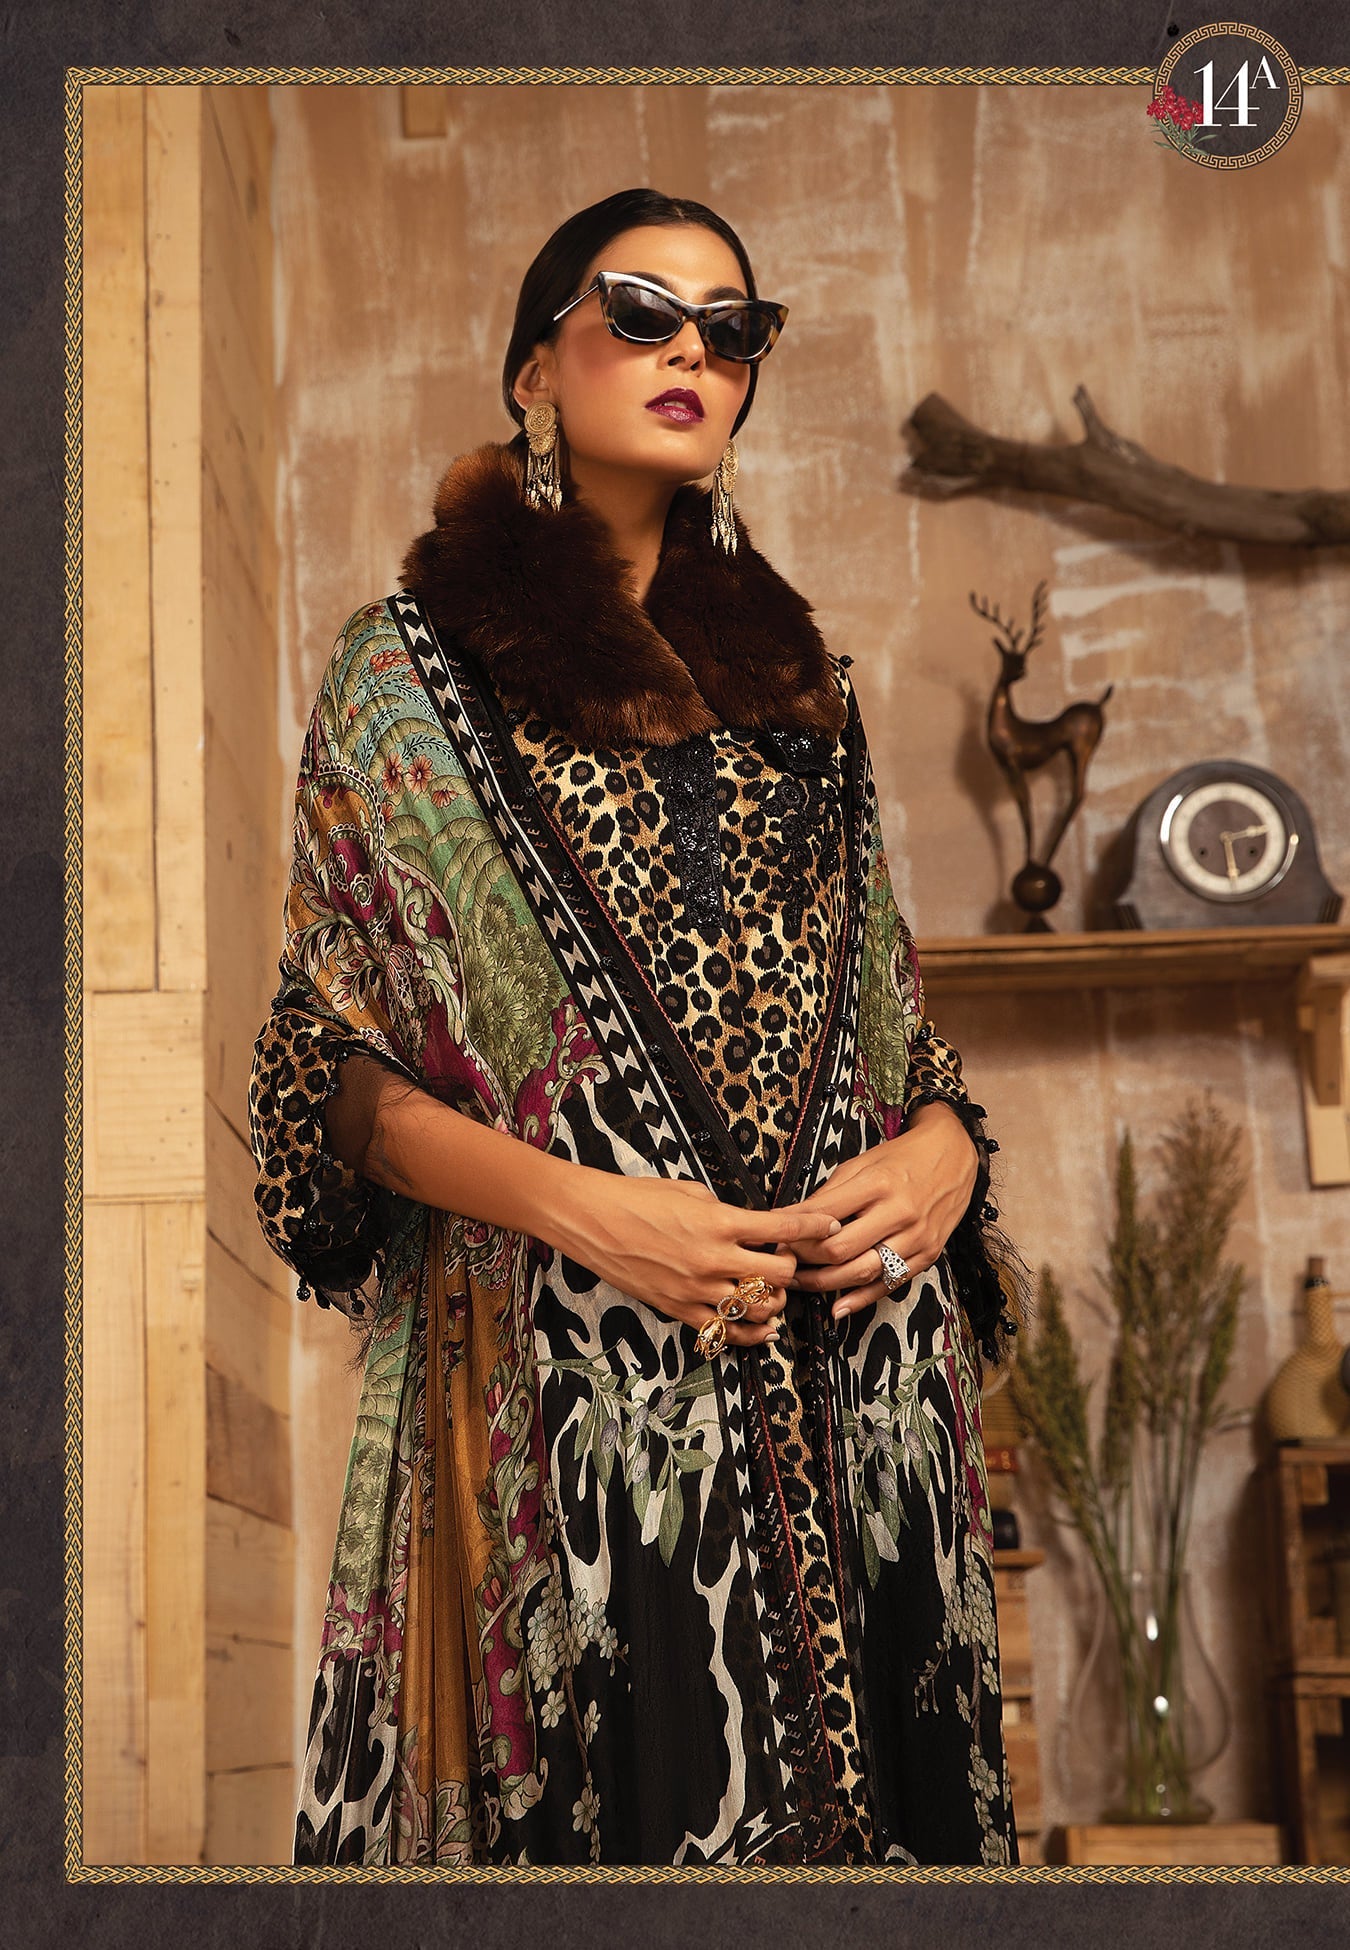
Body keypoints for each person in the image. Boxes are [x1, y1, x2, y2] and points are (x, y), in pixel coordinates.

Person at [248, 187, 1022, 1869]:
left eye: (733, 330)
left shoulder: (806, 689)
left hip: (856, 1373)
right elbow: (326, 1070)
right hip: (567, 1378)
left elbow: (897, 1030)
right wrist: (596, 1213)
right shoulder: (405, 673)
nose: (694, 352)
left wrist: (946, 1155)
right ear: (536, 366)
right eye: (642, 311)